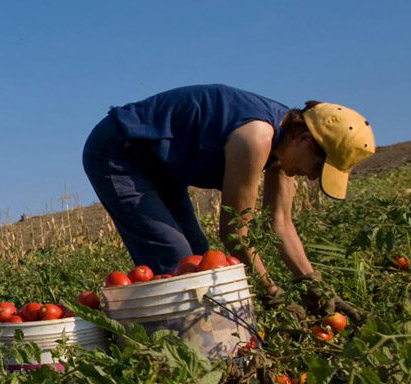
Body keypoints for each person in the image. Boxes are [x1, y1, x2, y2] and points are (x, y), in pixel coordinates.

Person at [82, 84, 375, 316]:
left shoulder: (285, 146)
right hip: (119, 152)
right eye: (318, 168)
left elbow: (281, 225)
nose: (312, 177)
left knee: (198, 257)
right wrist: (271, 292)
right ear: (306, 141)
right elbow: (235, 231)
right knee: (175, 259)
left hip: (163, 167)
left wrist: (313, 283)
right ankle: (170, 350)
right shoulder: (255, 138)